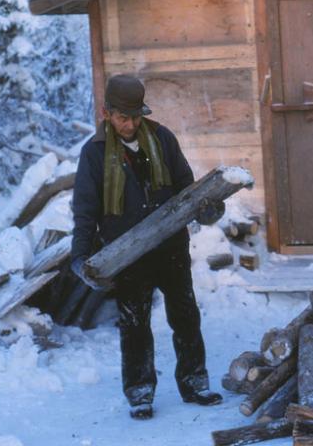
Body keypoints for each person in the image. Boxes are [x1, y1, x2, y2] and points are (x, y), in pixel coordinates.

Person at [70, 74, 224, 419]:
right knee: (135, 324)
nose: (131, 124)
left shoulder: (162, 138)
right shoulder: (93, 154)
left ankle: (195, 382)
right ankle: (140, 391)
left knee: (185, 316)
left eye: (136, 117)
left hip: (170, 248)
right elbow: (85, 211)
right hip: (128, 254)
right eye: (123, 117)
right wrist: (80, 256)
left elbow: (188, 189)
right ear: (107, 113)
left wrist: (209, 206)